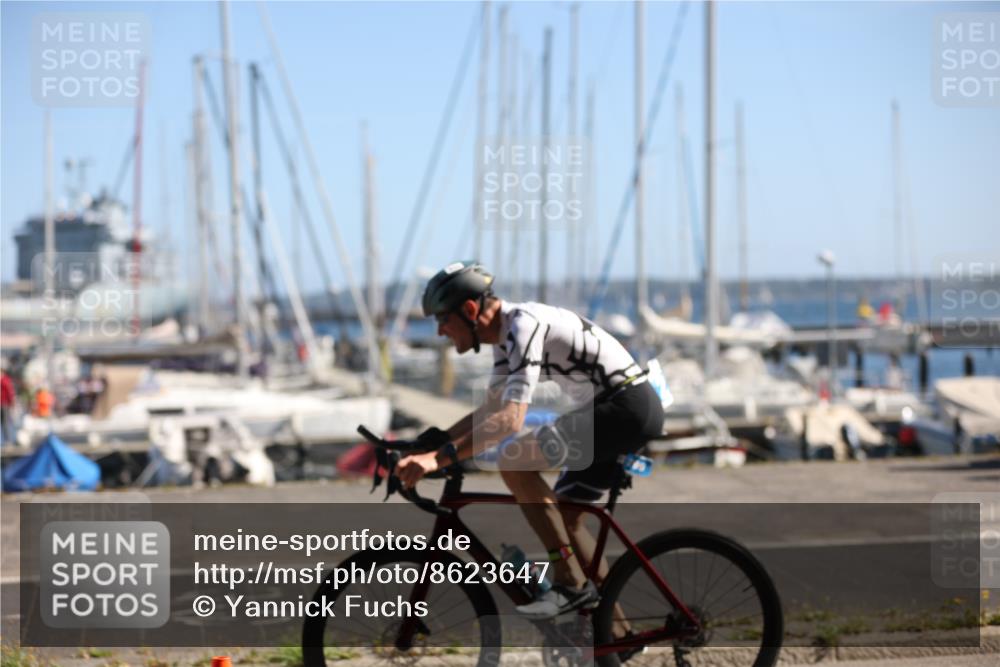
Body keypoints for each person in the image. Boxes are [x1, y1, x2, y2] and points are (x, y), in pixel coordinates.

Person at [397, 261, 664, 619]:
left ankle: (569, 583)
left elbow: (510, 420)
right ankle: (617, 634)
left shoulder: (523, 325)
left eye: (442, 319)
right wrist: (436, 441)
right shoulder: (506, 337)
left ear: (471, 310)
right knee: (565, 518)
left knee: (515, 462)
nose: (441, 331)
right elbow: (491, 409)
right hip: (614, 409)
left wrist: (438, 460)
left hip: (625, 408)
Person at [1, 367, 16, 446]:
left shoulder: (5, 380)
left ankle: (8, 441)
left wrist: (11, 402)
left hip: (4, 404)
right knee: (3, 423)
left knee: (6, 422)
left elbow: (10, 391)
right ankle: (5, 440)